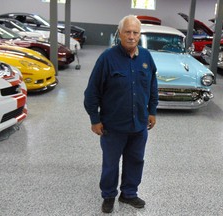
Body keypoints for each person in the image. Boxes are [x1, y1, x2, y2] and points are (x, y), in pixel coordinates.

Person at [84, 15, 158, 214]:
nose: (132, 36)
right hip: (113, 127)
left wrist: (152, 111)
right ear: (120, 34)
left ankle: (129, 193)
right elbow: (92, 92)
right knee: (110, 164)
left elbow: (152, 86)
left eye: (135, 32)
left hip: (139, 125)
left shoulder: (146, 57)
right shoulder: (107, 58)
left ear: (139, 34)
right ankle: (108, 195)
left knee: (136, 161)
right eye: (127, 32)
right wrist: (94, 119)